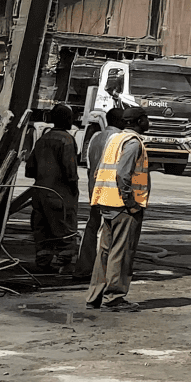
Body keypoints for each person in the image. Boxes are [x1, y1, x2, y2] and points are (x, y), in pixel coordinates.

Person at [85, 106, 151, 310]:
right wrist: (130, 203)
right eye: (146, 119)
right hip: (123, 207)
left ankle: (94, 296)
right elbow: (123, 174)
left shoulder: (114, 139)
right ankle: (114, 297)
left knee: (104, 252)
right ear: (138, 122)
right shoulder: (132, 143)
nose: (148, 122)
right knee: (121, 253)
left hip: (107, 202)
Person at [75, 107, 130, 279]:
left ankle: (84, 268)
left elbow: (90, 167)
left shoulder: (95, 138)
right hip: (111, 193)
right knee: (108, 234)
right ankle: (102, 273)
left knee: (92, 227)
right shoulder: (119, 139)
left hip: (95, 190)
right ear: (120, 121)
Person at [24, 104, 80, 273]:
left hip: (40, 193)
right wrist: (73, 189)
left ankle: (43, 263)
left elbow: (29, 169)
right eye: (70, 117)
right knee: (65, 229)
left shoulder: (43, 139)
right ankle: (65, 264)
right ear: (66, 120)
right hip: (59, 195)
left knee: (42, 229)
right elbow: (70, 171)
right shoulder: (67, 140)